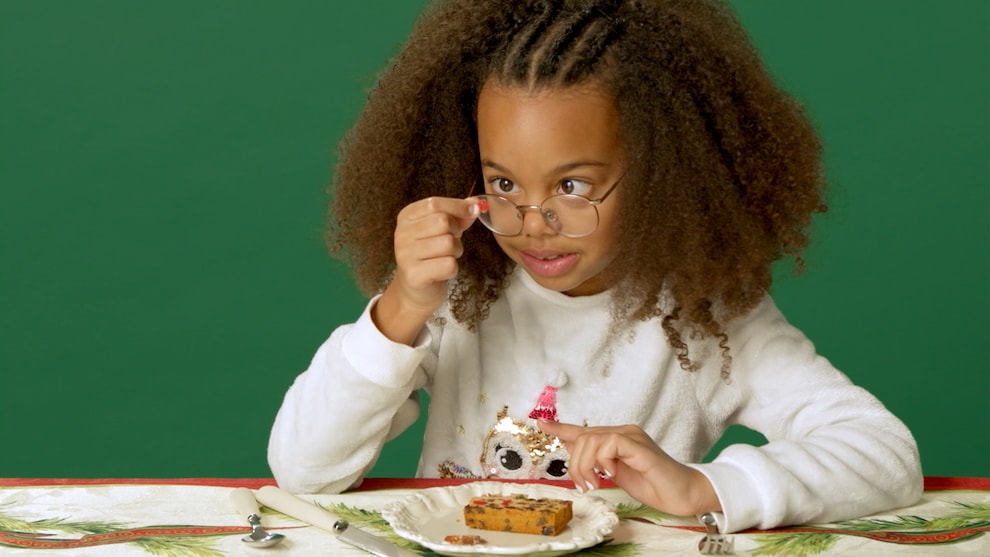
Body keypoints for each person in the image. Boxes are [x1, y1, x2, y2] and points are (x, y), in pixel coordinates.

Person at [268, 0, 922, 533]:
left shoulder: (705, 315)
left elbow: (885, 455)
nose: (532, 223)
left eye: (573, 187)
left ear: (660, 169)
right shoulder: (455, 294)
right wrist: (401, 307)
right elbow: (303, 468)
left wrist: (700, 484)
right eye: (502, 183)